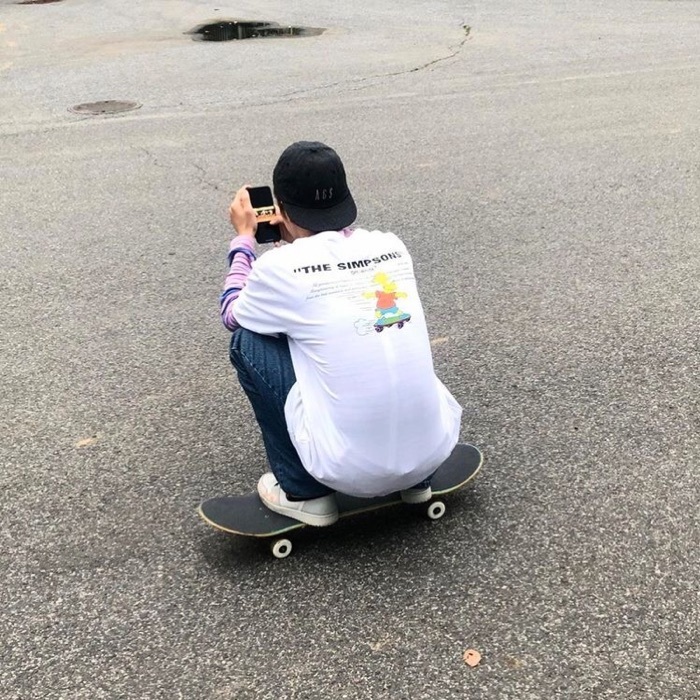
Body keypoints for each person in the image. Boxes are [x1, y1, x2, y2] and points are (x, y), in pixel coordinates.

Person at [220, 141, 462, 527]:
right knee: (379, 335)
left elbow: (232, 312)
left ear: (280, 209)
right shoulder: (391, 246)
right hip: (432, 453)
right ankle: (416, 481)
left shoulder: (279, 267)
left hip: (347, 469)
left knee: (248, 340)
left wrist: (244, 240)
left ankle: (305, 493)